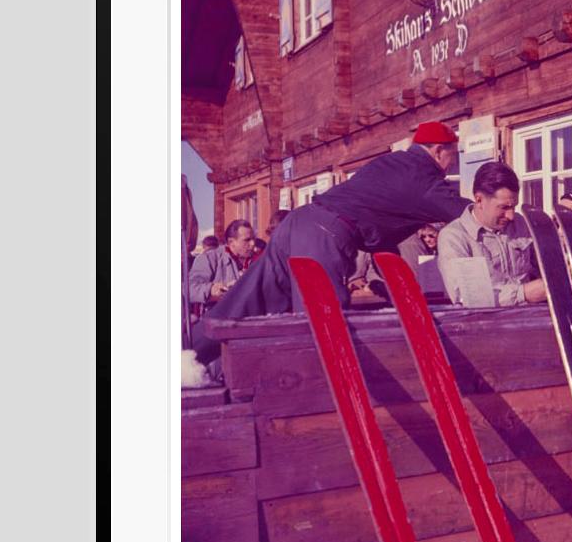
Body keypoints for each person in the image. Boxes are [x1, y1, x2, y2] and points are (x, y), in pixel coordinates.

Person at [191, 121, 469, 366]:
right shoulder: (424, 177)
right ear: (437, 150)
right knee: (323, 329)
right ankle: (312, 404)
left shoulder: (392, 162)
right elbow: (468, 216)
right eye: (451, 158)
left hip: (299, 222)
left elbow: (379, 215)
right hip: (323, 235)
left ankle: (185, 359)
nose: (450, 166)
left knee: (243, 302)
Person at [438, 161, 547, 307]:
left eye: (514, 207)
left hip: (529, 319)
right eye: (504, 207)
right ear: (479, 200)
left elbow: (542, 265)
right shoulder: (454, 237)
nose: (511, 216)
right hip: (488, 325)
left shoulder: (520, 224)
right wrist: (524, 293)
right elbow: (466, 298)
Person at [189, 219, 256, 311]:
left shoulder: (256, 260)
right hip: (219, 320)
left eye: (253, 239)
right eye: (247, 240)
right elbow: (189, 289)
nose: (252, 244)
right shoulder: (209, 259)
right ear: (231, 242)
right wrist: (211, 290)